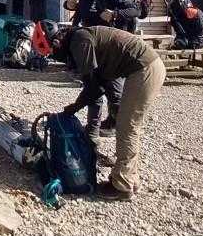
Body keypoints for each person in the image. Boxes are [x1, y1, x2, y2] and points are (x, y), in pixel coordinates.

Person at [56, 25, 167, 197]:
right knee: (128, 125)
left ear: (58, 42)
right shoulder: (84, 36)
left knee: (127, 126)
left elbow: (92, 87)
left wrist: (73, 108)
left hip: (144, 68)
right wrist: (76, 107)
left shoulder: (80, 40)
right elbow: (99, 85)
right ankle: (131, 179)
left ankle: (122, 185)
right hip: (145, 67)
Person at [62, 0, 137, 134]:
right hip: (92, 45)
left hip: (112, 46)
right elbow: (84, 10)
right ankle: (93, 130)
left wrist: (114, 14)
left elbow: (135, 10)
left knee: (113, 88)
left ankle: (121, 128)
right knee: (93, 86)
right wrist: (69, 5)